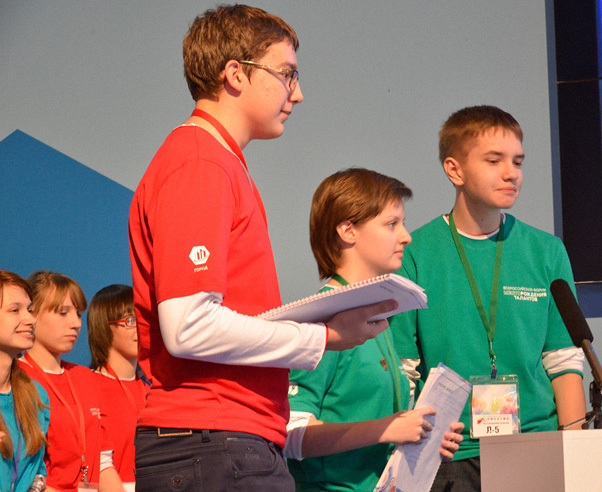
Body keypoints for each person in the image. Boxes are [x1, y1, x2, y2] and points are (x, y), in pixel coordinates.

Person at [128, 5, 394, 491]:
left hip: (225, 444)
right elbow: (189, 327)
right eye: (286, 73)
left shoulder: (218, 163)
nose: (298, 92)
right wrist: (322, 337)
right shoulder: (201, 162)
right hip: (213, 443)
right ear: (235, 74)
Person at [389, 105, 587, 491]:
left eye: (517, 161)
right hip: (449, 455)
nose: (511, 173)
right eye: (494, 160)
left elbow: (564, 363)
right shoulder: (414, 253)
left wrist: (575, 452)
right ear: (454, 170)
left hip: (536, 444)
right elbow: (404, 372)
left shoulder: (546, 251)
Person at [284, 168, 464, 491]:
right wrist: (386, 429)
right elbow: (291, 435)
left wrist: (422, 434)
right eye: (391, 224)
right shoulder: (319, 319)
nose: (406, 236)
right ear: (347, 230)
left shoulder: (377, 321)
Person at [19, 271, 119, 492]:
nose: (76, 323)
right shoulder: (17, 378)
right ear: (31, 314)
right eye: (63, 313)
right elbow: (23, 472)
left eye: (79, 314)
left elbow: (103, 462)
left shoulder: (85, 377)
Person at [87, 285, 144, 492]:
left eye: (142, 318)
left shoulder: (153, 390)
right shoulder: (88, 387)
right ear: (103, 326)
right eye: (130, 320)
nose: (140, 328)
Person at [0, 271, 49, 492]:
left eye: (29, 310)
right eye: (15, 310)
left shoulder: (35, 395)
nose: (31, 319)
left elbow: (38, 473)